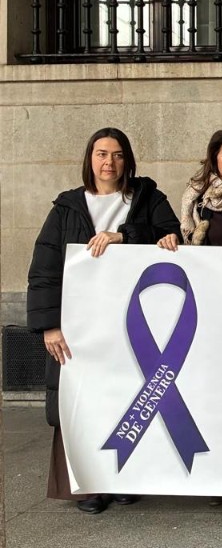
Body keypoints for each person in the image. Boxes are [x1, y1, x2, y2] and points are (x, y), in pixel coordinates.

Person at [26, 128, 180, 514]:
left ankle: (125, 478)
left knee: (128, 400)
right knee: (83, 402)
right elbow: (45, 268)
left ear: (127, 160)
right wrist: (50, 325)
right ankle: (89, 485)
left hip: (133, 323)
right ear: (89, 159)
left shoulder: (147, 198)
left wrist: (124, 235)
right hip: (80, 325)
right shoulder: (67, 207)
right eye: (100, 154)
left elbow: (172, 235)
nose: (108, 162)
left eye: (116, 154)